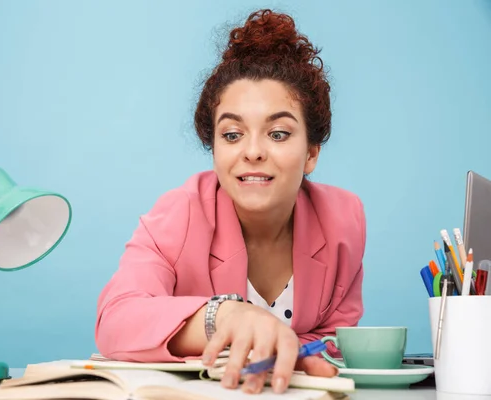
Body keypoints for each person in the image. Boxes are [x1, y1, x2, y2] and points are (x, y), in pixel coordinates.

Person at [95, 8, 365, 395]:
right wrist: (223, 316)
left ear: (311, 153)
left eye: (278, 133)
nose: (252, 152)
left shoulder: (343, 220)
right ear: (214, 148)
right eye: (233, 134)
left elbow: (334, 341)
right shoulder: (178, 214)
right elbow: (115, 318)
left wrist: (300, 353)